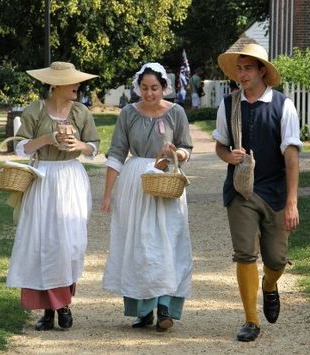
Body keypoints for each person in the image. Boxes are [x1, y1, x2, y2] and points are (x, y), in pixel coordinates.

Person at [213, 43, 302, 342]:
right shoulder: (228, 104)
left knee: (276, 260)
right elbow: (220, 145)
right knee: (245, 254)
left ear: (262, 70)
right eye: (238, 68)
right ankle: (251, 320)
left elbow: (291, 157)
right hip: (241, 190)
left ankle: (269, 285)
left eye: (247, 68)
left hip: (275, 191)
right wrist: (229, 157)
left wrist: (292, 203)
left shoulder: (282, 105)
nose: (241, 74)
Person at [6, 61, 100, 331]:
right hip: (44, 178)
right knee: (43, 243)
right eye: (73, 82)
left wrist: (79, 145)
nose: (77, 86)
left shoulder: (81, 112)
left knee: (69, 245)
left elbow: (93, 147)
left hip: (70, 177)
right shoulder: (35, 110)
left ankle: (63, 302)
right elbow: (21, 148)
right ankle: (50, 309)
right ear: (56, 85)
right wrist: (46, 139)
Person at [101, 62, 193, 332]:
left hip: (166, 181)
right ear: (137, 88)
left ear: (164, 87)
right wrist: (107, 194)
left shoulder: (176, 113)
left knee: (167, 244)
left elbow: (187, 148)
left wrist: (177, 153)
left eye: (154, 88)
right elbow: (117, 152)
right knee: (139, 246)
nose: (150, 93)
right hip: (136, 183)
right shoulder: (128, 113)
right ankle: (143, 311)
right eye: (144, 88)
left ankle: (165, 307)